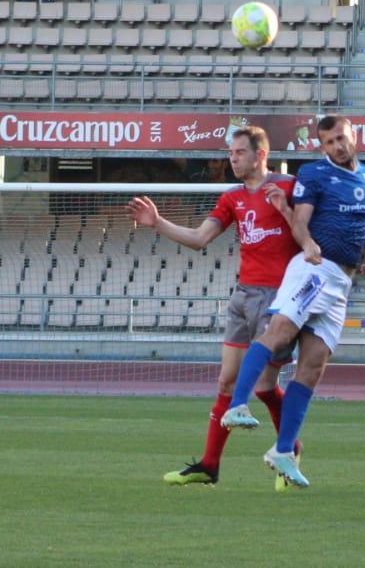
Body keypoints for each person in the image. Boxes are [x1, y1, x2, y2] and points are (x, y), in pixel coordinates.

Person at [127, 126, 299, 486]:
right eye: (231, 153)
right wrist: (157, 223)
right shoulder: (231, 197)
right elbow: (199, 239)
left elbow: (312, 229)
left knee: (266, 387)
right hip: (242, 296)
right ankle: (209, 465)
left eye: (238, 152)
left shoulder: (289, 188)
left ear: (260, 154)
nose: (232, 159)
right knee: (226, 382)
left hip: (278, 300)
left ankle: (289, 449)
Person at [219, 116, 365, 490]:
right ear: (322, 147)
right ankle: (237, 404)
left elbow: (364, 219)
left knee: (313, 366)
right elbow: (301, 220)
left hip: (343, 282)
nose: (338, 146)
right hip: (314, 270)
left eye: (341, 138)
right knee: (279, 332)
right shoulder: (313, 173)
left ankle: (284, 451)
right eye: (329, 142)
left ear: (353, 135)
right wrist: (307, 244)